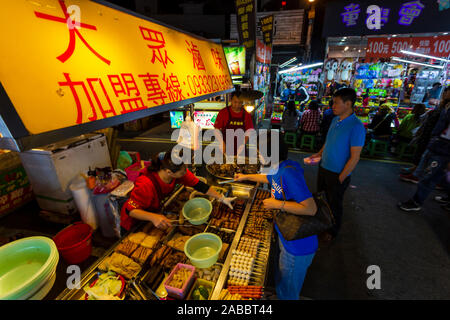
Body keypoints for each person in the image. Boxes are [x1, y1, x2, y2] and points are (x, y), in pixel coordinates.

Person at [233, 135, 318, 300]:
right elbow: (268, 178)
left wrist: (276, 204)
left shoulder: (289, 173)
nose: (258, 155)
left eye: (260, 152)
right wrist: (245, 177)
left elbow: (311, 208)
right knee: (283, 275)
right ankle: (280, 294)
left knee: (289, 288)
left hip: (298, 244)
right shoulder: (278, 167)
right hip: (287, 235)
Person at [120, 151, 236, 232]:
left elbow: (200, 185)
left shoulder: (179, 172)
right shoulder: (145, 183)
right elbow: (130, 210)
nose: (185, 173)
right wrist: (153, 217)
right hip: (135, 221)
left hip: (154, 212)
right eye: (182, 171)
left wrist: (221, 198)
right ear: (168, 172)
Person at [304, 88, 366, 240]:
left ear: (348, 103)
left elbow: (355, 157)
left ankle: (332, 231)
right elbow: (329, 141)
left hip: (338, 174)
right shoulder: (334, 120)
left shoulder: (356, 126)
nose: (333, 105)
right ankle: (320, 224)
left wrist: (341, 177)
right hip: (324, 168)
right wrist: (318, 154)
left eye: (336, 103)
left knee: (334, 205)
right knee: (321, 199)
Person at [398, 97, 450, 212]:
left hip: (444, 151)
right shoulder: (444, 107)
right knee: (432, 177)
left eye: (447, 92)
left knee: (430, 179)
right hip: (435, 145)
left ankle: (416, 202)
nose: (445, 93)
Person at [400, 87, 450, 183]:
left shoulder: (446, 108)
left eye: (447, 92)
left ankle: (419, 175)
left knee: (431, 159)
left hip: (440, 138)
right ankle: (416, 172)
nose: (445, 94)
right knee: (424, 155)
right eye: (445, 92)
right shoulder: (443, 105)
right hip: (432, 133)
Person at [213, 91, 254, 157]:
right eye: (235, 102)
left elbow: (249, 131)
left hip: (240, 148)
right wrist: (221, 142)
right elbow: (216, 129)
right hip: (225, 146)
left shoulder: (246, 115)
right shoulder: (223, 112)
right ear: (231, 100)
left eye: (240, 102)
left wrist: (243, 144)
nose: (237, 105)